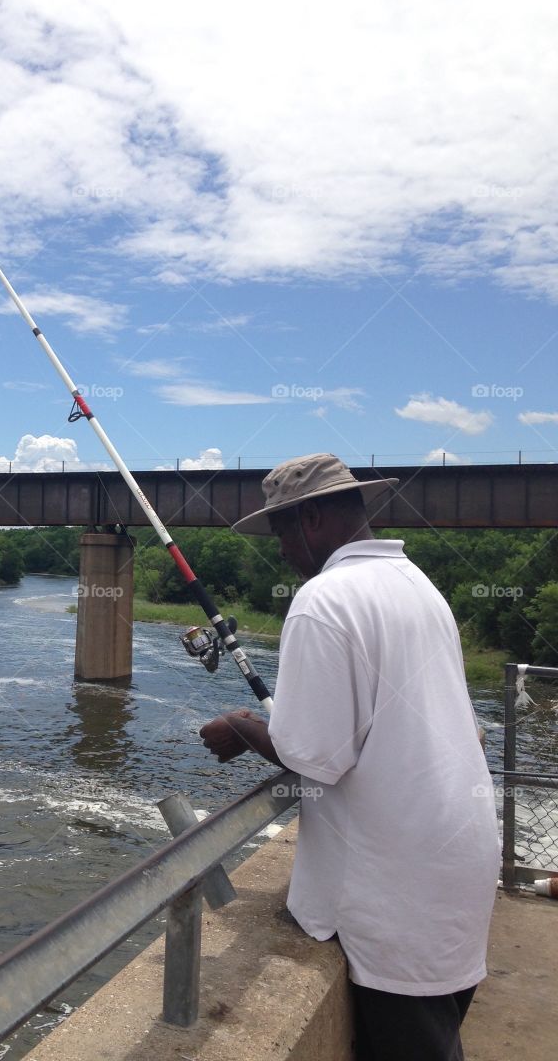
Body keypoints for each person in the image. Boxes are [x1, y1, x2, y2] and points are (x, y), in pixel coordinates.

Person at [200, 453, 499, 1061]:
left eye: (281, 531)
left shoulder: (322, 601)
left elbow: (313, 755)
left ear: (311, 519)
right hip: (457, 870)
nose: (278, 548)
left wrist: (240, 724)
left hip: (395, 893)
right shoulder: (419, 587)